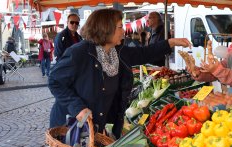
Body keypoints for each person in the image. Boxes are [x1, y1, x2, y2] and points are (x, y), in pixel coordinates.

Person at [48, 9, 191, 139]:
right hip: (71, 129)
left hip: (97, 128)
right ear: (106, 28)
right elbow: (55, 81)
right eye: (120, 27)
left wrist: (171, 42)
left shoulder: (118, 51)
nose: (123, 31)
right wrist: (77, 107)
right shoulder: (79, 52)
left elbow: (145, 53)